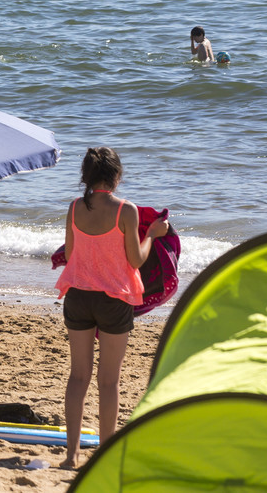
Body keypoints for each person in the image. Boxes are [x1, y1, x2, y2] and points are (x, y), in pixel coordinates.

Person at [55, 148, 170, 469]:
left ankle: (70, 456)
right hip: (113, 299)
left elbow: (70, 251)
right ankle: (104, 456)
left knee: (78, 377)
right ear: (117, 176)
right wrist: (152, 235)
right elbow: (136, 259)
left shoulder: (75, 207)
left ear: (86, 176)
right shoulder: (126, 211)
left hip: (78, 295)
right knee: (109, 382)